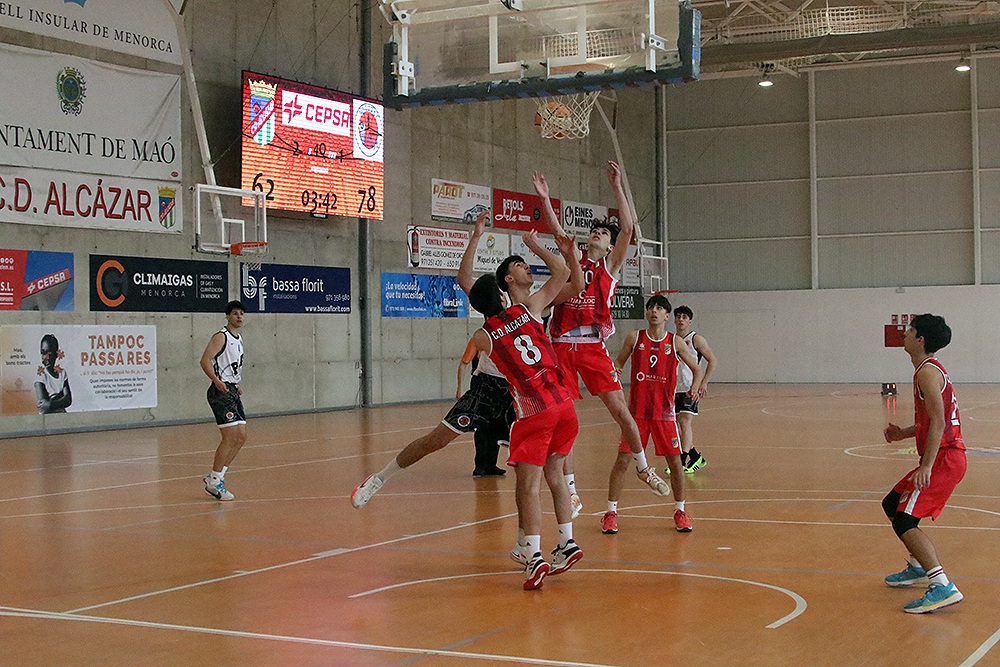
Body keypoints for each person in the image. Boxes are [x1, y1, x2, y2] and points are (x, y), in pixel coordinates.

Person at [350, 209, 582, 512]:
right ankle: (378, 479)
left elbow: (575, 285)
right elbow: (463, 279)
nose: (528, 268)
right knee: (438, 439)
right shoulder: (494, 304)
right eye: (521, 265)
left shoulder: (539, 302)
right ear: (507, 281)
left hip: (526, 393)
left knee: (557, 436)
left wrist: (558, 251)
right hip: (489, 386)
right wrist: (475, 236)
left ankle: (569, 496)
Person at [533, 163, 671, 517]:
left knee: (620, 410)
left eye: (602, 233)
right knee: (565, 418)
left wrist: (618, 186)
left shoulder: (610, 267)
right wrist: (545, 198)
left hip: (593, 346)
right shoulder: (572, 259)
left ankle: (643, 467)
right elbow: (554, 227)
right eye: (593, 230)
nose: (596, 233)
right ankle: (573, 490)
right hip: (562, 345)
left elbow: (627, 227)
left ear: (609, 245)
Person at [467, 217, 585, 590]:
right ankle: (566, 541)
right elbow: (564, 272)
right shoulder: (532, 308)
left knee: (528, 485)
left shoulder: (483, 336)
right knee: (556, 475)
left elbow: (477, 300)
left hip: (535, 412)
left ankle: (531, 552)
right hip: (565, 404)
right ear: (503, 292)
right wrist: (540, 248)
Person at [881, 314, 966, 613]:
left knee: (904, 519)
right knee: (892, 505)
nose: (905, 334)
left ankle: (942, 585)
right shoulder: (926, 371)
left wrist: (927, 466)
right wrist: (902, 433)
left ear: (921, 340)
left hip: (945, 457)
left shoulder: (927, 373)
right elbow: (930, 419)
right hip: (942, 455)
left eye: (910, 331)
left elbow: (940, 422)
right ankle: (918, 566)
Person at [603, 295, 704, 535]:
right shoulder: (634, 337)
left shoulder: (675, 342)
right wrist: (612, 370)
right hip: (636, 415)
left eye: (659, 308)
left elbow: (697, 369)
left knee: (676, 465)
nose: (654, 311)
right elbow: (618, 363)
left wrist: (695, 388)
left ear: (667, 316)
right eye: (651, 307)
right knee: (622, 462)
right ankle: (610, 513)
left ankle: (680, 511)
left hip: (665, 415)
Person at [201, 300, 248, 501]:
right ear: (228, 316)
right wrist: (216, 380)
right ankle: (214, 480)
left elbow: (231, 366)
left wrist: (235, 383)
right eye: (235, 313)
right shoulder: (221, 337)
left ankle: (217, 477)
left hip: (232, 390)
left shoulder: (239, 339)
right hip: (220, 391)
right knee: (229, 437)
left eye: (241, 314)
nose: (239, 317)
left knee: (241, 437)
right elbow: (205, 360)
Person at [457, 336, 515, 477]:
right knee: (482, 425)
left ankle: (491, 464)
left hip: (502, 385)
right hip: (482, 383)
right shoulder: (481, 338)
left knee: (497, 424)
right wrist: (459, 388)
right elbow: (464, 363)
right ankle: (480, 466)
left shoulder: (508, 338)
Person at [672, 306, 717, 473]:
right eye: (679, 316)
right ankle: (696, 457)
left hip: (691, 387)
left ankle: (681, 462)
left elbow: (712, 361)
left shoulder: (696, 339)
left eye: (685, 317)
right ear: (674, 320)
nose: (681, 319)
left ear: (690, 321)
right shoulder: (670, 339)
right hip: (673, 388)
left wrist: (703, 383)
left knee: (684, 422)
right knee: (678, 426)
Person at [35, 334, 72, 414]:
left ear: (56, 355)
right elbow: (44, 407)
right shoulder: (40, 375)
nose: (47, 358)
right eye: (43, 353)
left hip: (62, 416)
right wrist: (60, 397)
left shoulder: (62, 373)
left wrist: (51, 402)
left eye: (50, 354)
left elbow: (68, 400)